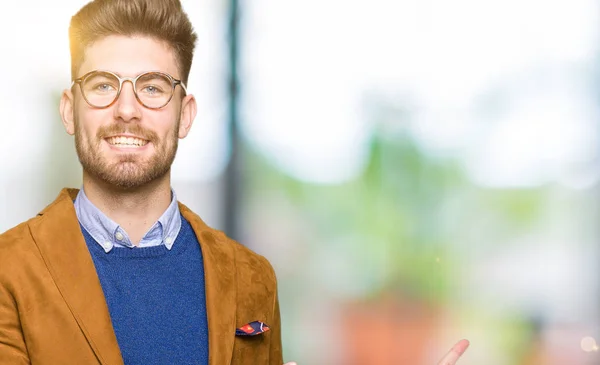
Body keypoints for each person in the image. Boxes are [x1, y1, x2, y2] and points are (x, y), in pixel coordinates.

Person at [0, 0, 283, 364]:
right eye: (103, 86)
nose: (127, 110)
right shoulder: (9, 270)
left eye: (152, 87)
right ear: (70, 110)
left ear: (185, 115)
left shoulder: (253, 278)